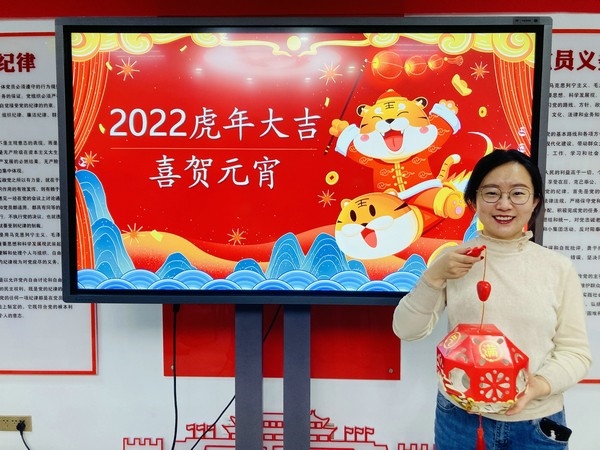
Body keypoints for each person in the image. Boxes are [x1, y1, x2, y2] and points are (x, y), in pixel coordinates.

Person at [392, 149, 591, 449]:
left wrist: (537, 386)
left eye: (518, 194)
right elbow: (406, 329)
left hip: (536, 422)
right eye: (491, 193)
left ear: (535, 201)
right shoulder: (454, 260)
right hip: (459, 419)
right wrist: (433, 277)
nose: (504, 204)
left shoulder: (558, 268)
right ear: (473, 201)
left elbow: (575, 353)